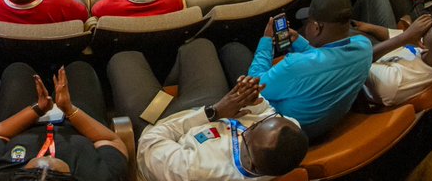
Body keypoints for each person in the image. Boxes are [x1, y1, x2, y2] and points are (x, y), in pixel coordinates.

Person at [109, 39, 309, 181]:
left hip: (161, 127)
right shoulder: (290, 136)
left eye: (251, 130)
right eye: (260, 122)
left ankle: (163, 94)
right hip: (213, 108)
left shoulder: (193, 171)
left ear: (254, 165)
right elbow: (268, 113)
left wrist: (215, 113)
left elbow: (149, 144)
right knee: (200, 45)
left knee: (123, 58)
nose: (251, 125)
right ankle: (167, 88)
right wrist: (253, 100)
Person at [246, 0, 373, 139]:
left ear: (317, 27)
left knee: (234, 51)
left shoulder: (296, 65)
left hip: (283, 136)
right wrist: (302, 43)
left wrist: (266, 42)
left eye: (308, 23)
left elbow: (254, 87)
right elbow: (331, 59)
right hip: (323, 126)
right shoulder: (365, 47)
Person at [0, 63, 129, 180]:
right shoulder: (103, 177)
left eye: (33, 173)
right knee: (80, 68)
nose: (46, 165)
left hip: (21, 125)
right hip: (78, 124)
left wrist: (37, 109)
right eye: (55, 173)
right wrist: (69, 109)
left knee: (17, 69)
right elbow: (110, 139)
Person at [352, 11, 432, 106]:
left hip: (355, 76)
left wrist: (405, 37)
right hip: (376, 52)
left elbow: (357, 61)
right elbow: (395, 37)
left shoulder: (396, 82)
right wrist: (368, 27)